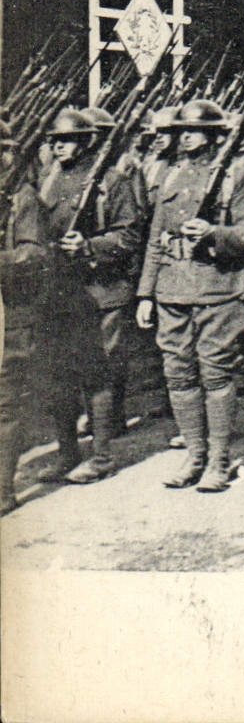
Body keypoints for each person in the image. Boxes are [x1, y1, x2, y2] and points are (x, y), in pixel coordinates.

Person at [135, 99, 244, 492]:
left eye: (192, 130)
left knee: (215, 373)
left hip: (217, 288)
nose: (184, 137)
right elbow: (155, 241)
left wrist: (213, 233)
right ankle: (194, 455)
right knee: (178, 373)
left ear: (212, 135)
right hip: (172, 289)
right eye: (180, 131)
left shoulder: (234, 177)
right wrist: (146, 293)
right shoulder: (171, 177)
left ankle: (218, 460)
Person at [35, 109, 143, 484]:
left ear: (85, 142)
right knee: (59, 374)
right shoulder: (46, 179)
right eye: (54, 141)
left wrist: (90, 245)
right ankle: (67, 453)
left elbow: (130, 237)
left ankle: (101, 457)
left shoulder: (110, 182)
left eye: (65, 140)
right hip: (59, 291)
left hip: (102, 291)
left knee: (99, 373)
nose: (58, 146)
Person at [1, 123, 49, 514]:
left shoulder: (23, 199)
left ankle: (3, 489)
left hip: (9, 313)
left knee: (5, 405)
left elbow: (32, 255)